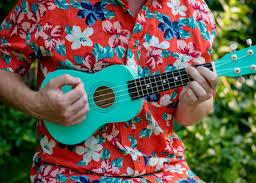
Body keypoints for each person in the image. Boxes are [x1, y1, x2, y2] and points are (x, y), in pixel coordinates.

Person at [0, 0, 217, 182]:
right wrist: (36, 105)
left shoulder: (195, 14)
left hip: (163, 171)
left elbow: (188, 117)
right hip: (69, 172)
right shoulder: (48, 4)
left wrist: (194, 102)